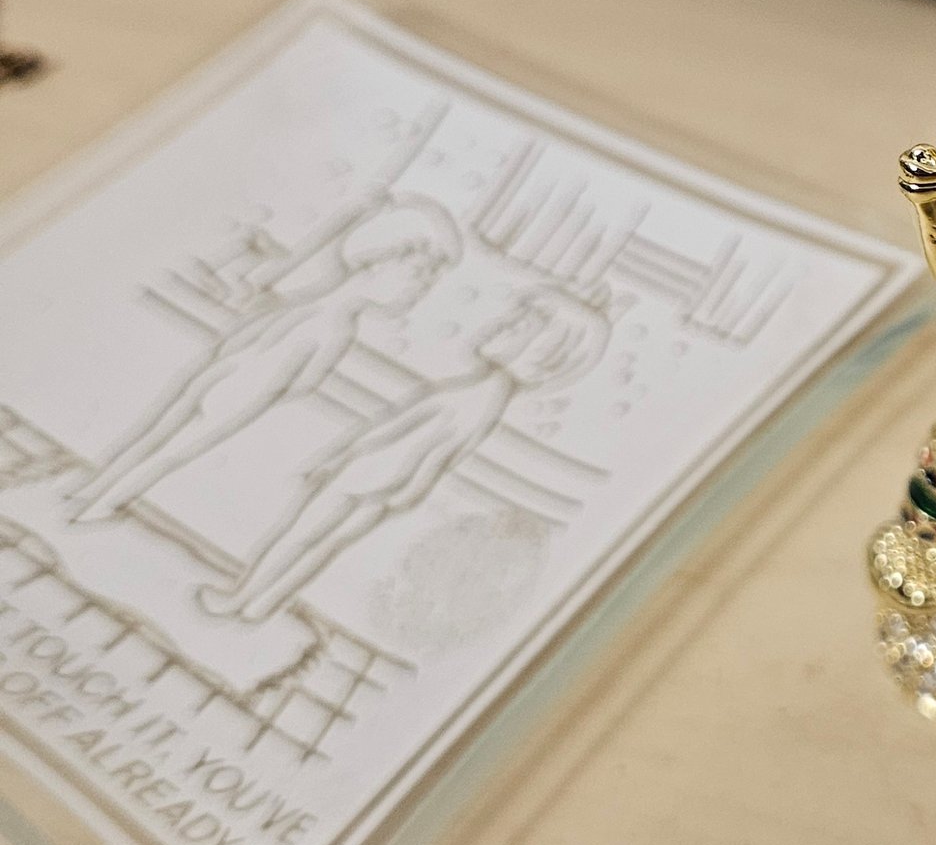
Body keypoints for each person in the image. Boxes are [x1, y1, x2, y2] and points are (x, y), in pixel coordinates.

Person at [201, 286, 611, 625]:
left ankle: (240, 597)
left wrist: (344, 459)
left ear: (541, 348)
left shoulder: (474, 394)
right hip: (385, 483)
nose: (502, 324)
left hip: (369, 475)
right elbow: (438, 452)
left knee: (301, 535)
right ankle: (261, 603)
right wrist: (404, 490)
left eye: (520, 325)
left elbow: (407, 435)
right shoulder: (485, 398)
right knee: (322, 543)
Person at [66, 198, 463, 525]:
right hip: (246, 391)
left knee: (158, 435)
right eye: (416, 277)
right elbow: (302, 380)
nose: (416, 292)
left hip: (229, 373)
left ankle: (93, 491)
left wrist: (229, 364)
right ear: (380, 264)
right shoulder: (335, 325)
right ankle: (101, 501)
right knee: (173, 449)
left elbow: (252, 335)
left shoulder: (314, 300)